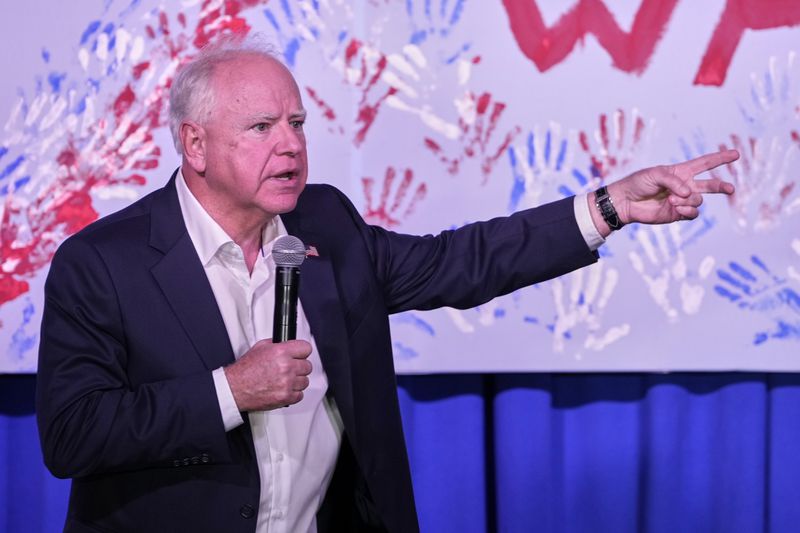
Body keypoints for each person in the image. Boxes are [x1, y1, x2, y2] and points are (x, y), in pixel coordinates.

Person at [36, 36, 738, 533]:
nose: (291, 144)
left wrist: (608, 206)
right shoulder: (101, 264)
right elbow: (73, 434)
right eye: (261, 126)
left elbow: (463, 261)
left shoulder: (328, 224)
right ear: (195, 145)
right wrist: (230, 390)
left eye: (298, 123)